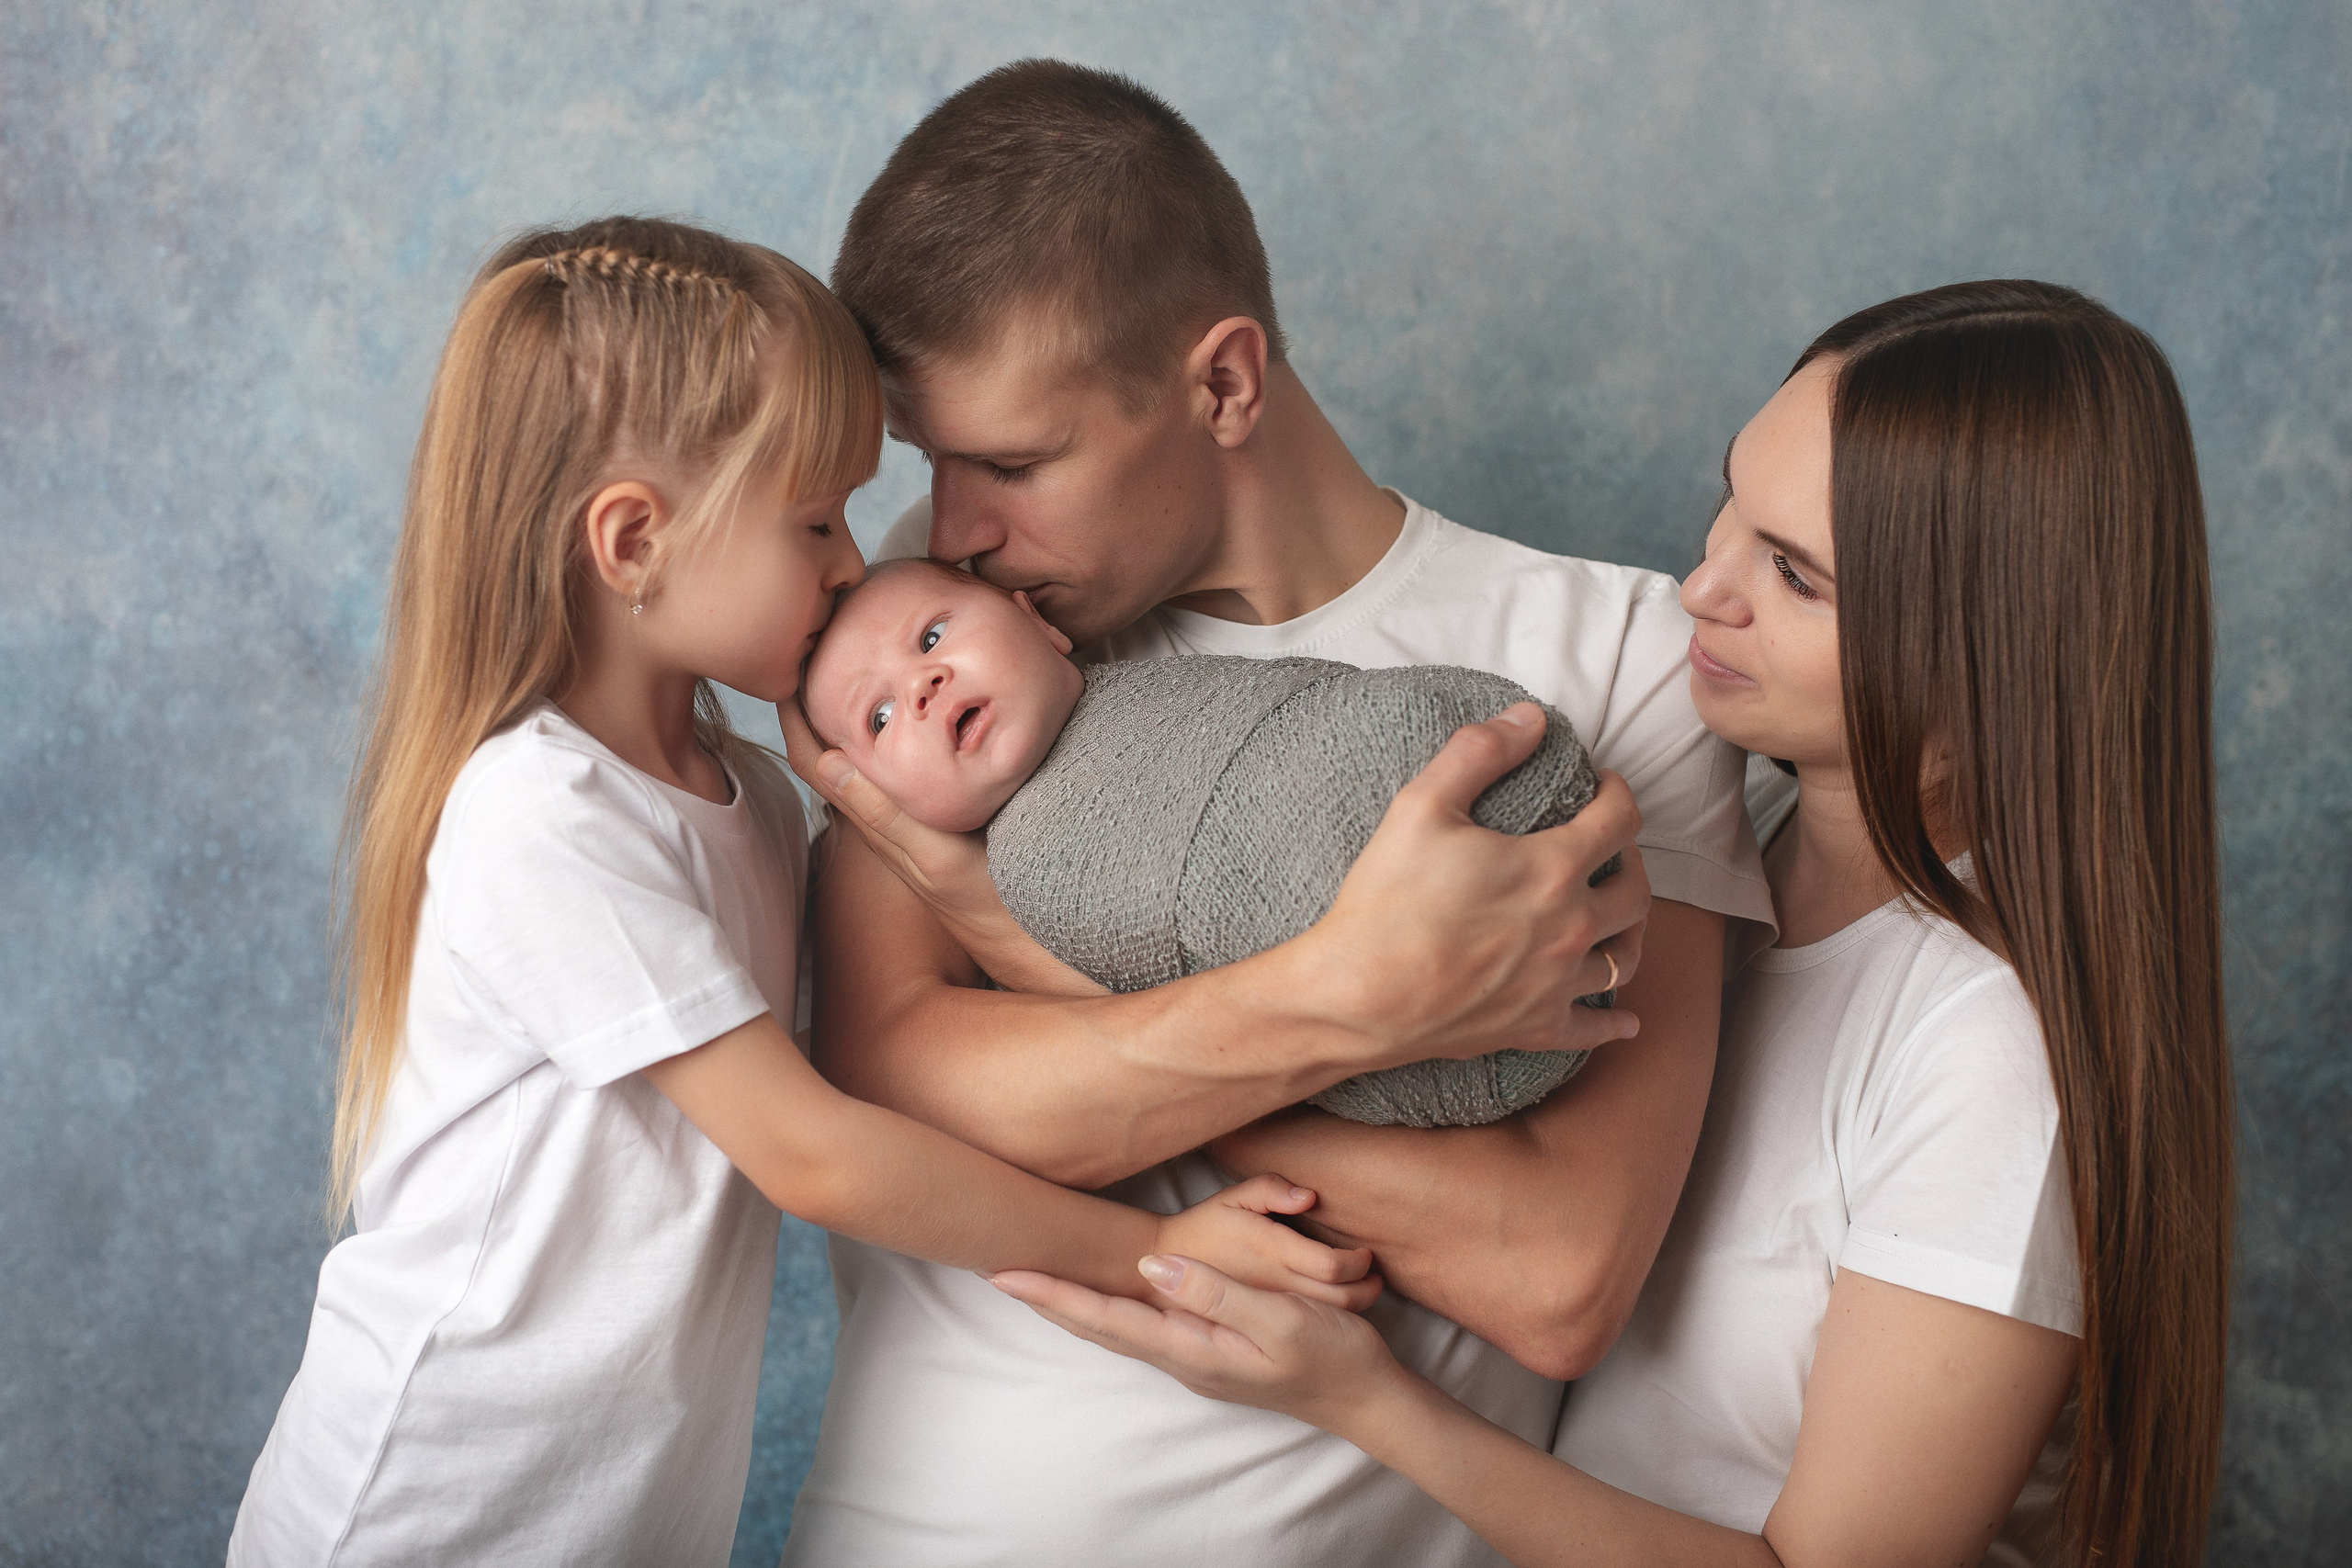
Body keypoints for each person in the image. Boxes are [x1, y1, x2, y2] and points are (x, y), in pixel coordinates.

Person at [230, 215, 1440, 1568]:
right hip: (428, 1507)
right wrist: (1157, 1253)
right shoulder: (544, 813)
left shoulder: (752, 800)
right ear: (632, 542)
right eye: (814, 519)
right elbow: (814, 1153)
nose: (854, 562)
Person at [994, 280, 2236, 1568]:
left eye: (1794, 575)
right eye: (1729, 507)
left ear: (1995, 645)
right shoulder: (1713, 855)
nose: (1702, 586)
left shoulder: (1993, 1056)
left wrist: (1363, 1401)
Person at [776, 60, 1770, 1567]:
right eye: (934, 463)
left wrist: (1029, 968)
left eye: (1015, 463)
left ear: (1224, 384)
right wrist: (1352, 996)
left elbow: (1555, 1273)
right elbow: (890, 1073)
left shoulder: (1619, 660)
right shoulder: (951, 639)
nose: (959, 526)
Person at [801, 556, 1611, 1128]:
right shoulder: (1021, 876)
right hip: (1453, 1018)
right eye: (880, 717)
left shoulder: (1157, 681)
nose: (922, 685)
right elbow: (1168, 1018)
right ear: (879, 800)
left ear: (1039, 622)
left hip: (1471, 776)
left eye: (933, 637)